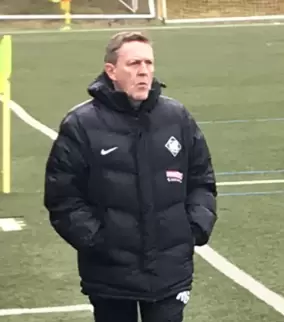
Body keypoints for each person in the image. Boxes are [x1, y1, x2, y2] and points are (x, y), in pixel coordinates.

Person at [43, 31, 218, 321]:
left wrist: (195, 227)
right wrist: (97, 241)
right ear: (111, 71)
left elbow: (201, 179)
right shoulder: (81, 125)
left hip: (169, 269)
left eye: (149, 63)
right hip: (109, 273)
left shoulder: (177, 118)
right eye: (134, 63)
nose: (144, 71)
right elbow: (63, 197)